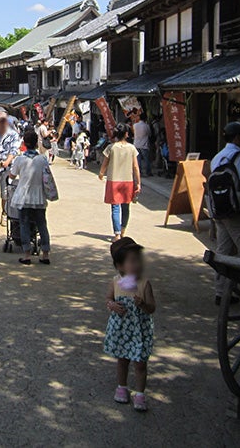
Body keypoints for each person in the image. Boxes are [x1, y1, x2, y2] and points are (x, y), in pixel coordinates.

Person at [104, 237, 156, 412]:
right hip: (122, 328)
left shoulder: (144, 284)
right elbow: (108, 299)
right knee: (122, 360)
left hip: (139, 330)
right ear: (120, 266)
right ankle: (122, 386)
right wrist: (112, 305)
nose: (137, 265)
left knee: (140, 363)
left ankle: (140, 393)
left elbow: (152, 308)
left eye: (138, 260)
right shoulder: (116, 282)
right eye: (132, 261)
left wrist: (143, 304)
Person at [209, 121, 240, 305]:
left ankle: (220, 292)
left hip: (219, 209)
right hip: (235, 211)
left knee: (223, 250)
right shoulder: (239, 156)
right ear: (236, 137)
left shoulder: (217, 157)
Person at [9, 129, 51, 265]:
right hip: (39, 196)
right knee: (42, 224)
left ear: (24, 143)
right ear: (36, 143)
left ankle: (27, 254)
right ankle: (45, 254)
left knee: (24, 224)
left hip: (24, 196)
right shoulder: (43, 159)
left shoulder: (20, 159)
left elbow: (12, 175)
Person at [98, 123, 141, 241]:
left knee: (115, 207)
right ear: (126, 134)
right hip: (128, 181)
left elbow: (105, 163)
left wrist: (101, 173)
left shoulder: (111, 147)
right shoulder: (132, 148)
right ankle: (123, 231)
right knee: (126, 207)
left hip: (114, 180)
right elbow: (136, 167)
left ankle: (117, 234)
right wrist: (138, 182)